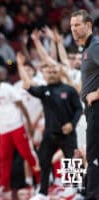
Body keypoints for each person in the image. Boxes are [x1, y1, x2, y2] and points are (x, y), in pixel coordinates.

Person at [17, 52, 83, 200]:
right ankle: (43, 193)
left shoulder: (69, 89)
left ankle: (76, 191)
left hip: (67, 133)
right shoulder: (44, 90)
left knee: (73, 161)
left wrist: (72, 125)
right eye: (49, 72)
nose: (52, 74)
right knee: (44, 162)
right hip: (50, 134)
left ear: (60, 73)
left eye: (54, 71)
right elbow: (27, 85)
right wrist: (20, 65)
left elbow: (79, 108)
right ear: (45, 74)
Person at [71, 9, 99, 199]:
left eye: (77, 25)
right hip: (87, 110)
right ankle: (79, 189)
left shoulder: (95, 46)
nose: (73, 29)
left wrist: (96, 93)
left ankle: (90, 195)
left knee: (92, 154)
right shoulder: (87, 50)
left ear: (88, 25)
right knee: (86, 152)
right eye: (72, 25)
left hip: (95, 107)